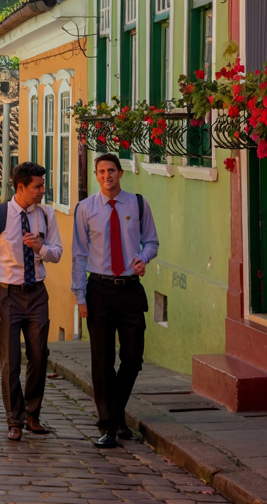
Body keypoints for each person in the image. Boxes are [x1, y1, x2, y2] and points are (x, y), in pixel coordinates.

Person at [72, 153, 159, 448]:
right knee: (102, 360)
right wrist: (80, 296)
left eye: (111, 170)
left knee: (133, 358)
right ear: (96, 176)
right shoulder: (85, 209)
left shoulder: (138, 203)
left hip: (131, 289)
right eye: (101, 171)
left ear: (120, 173)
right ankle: (109, 425)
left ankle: (116, 415)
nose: (107, 175)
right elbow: (79, 254)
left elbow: (152, 241)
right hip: (99, 289)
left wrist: (142, 258)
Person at [0, 162, 63, 442]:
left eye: (43, 185)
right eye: (37, 186)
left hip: (37, 292)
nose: (42, 191)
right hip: (8, 295)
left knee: (39, 356)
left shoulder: (47, 215)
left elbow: (57, 253)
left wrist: (40, 248)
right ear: (21, 187)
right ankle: (14, 419)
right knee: (10, 360)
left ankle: (32, 414)